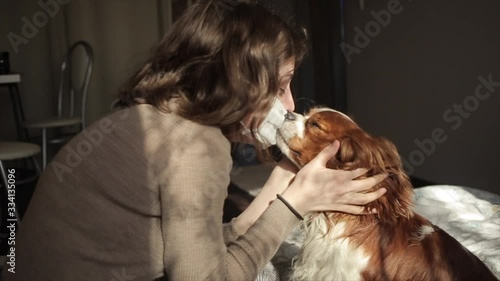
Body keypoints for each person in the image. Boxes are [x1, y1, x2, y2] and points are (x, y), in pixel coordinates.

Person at [3, 1, 386, 280]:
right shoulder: (196, 147)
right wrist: (294, 207)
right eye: (282, 86)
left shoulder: (159, 116)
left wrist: (275, 191)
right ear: (241, 83)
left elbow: (185, 243)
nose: (289, 106)